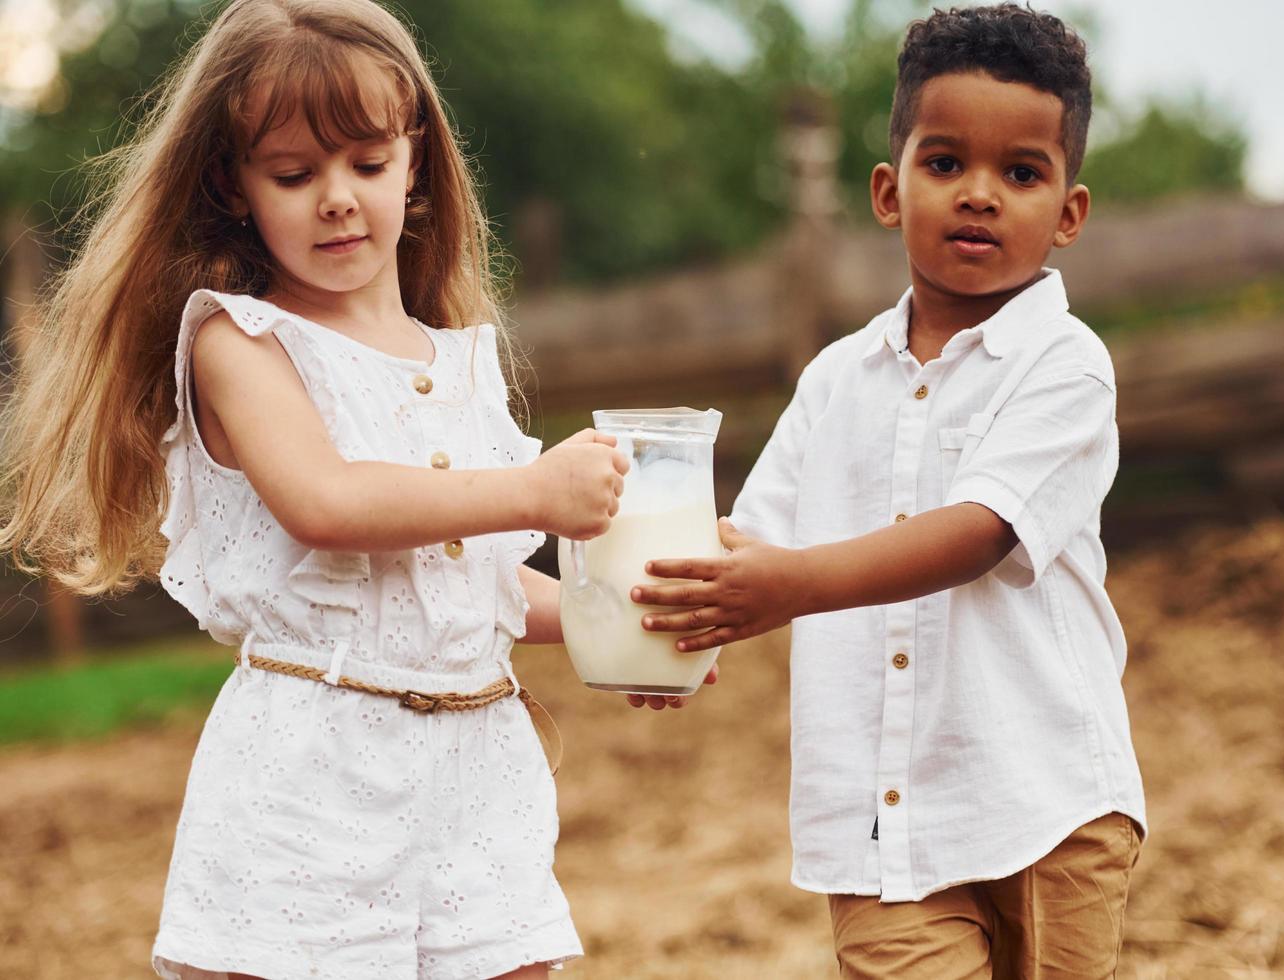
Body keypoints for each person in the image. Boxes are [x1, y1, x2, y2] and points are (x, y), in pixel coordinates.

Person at [0, 1, 633, 976]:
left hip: (478, 776)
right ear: (234, 182)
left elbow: (481, 585)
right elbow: (327, 501)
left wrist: (629, 627)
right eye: (295, 173)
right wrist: (535, 490)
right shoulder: (239, 344)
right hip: (314, 780)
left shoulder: (457, 359)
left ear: (415, 158)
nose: (337, 197)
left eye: (367, 164)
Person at [631, 5, 1146, 977]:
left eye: (1022, 172)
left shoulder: (1064, 366)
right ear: (888, 188)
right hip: (876, 819)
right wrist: (676, 629)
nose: (980, 195)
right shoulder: (834, 379)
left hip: (1045, 796)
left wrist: (788, 587)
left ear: (1070, 212)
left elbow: (979, 532)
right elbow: (749, 540)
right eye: (945, 163)